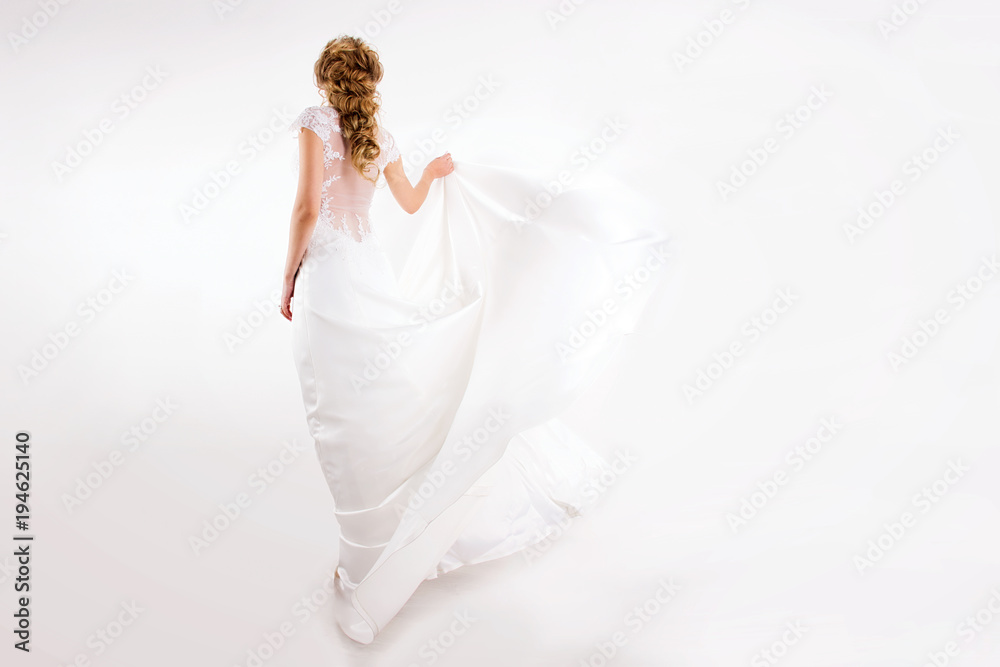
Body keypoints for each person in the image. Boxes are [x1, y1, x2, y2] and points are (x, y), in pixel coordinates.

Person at [280, 35, 672, 644]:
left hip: (331, 276)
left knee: (340, 407)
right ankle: (376, 541)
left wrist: (288, 275)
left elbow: (307, 208)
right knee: (374, 398)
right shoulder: (380, 136)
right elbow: (410, 204)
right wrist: (432, 174)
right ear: (370, 81)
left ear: (325, 78)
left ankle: (363, 556)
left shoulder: (313, 121)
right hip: (368, 269)